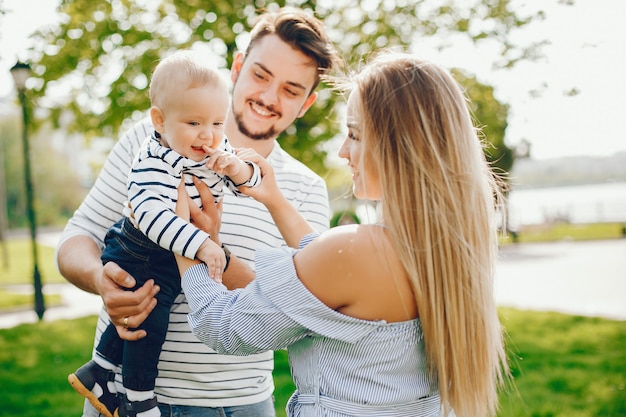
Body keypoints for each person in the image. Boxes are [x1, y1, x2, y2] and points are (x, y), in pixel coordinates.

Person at [175, 52, 509, 417]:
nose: (342, 151)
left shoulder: (355, 252)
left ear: (400, 146)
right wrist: (275, 200)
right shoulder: (443, 251)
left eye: (354, 135)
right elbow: (326, 263)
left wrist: (184, 241)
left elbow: (222, 326)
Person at [55, 7, 340, 417]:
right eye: (261, 75)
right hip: (119, 397)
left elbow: (299, 310)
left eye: (291, 89)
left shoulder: (304, 190)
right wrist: (101, 280)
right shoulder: (151, 137)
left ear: (307, 103)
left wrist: (210, 250)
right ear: (237, 67)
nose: (268, 97)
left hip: (238, 404)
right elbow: (76, 238)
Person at [67, 50, 262, 417]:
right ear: (159, 120)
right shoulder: (153, 158)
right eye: (194, 123)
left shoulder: (213, 147)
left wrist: (237, 169)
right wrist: (202, 244)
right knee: (150, 323)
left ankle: (98, 371)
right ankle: (138, 399)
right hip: (137, 249)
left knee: (148, 308)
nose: (208, 135)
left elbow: (248, 184)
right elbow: (150, 215)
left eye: (218, 124)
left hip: (165, 255)